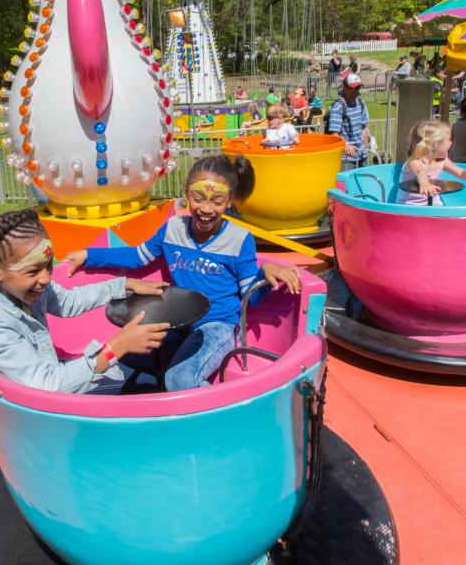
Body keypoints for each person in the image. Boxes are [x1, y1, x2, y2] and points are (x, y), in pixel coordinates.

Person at [64, 155, 302, 390]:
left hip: (217, 325)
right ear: (187, 193)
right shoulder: (173, 229)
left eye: (217, 201)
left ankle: (219, 418)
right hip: (179, 321)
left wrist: (265, 274)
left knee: (179, 379)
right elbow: (137, 257)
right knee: (121, 352)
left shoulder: (240, 240)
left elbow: (252, 297)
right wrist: (88, 255)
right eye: (198, 198)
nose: (206, 209)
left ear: (229, 201)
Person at [0, 209, 170, 393]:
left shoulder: (16, 285)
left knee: (140, 371)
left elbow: (68, 301)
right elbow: (47, 386)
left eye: (48, 266)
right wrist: (115, 348)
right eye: (33, 271)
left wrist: (124, 284)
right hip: (40, 412)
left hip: (48, 378)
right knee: (143, 387)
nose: (46, 278)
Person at [396, 120, 466, 206]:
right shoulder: (414, 161)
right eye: (449, 140)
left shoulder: (443, 161)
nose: (451, 143)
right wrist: (424, 183)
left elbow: (460, 173)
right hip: (409, 206)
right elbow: (419, 172)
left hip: (434, 205)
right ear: (434, 144)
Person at [326, 73, 373, 168]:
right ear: (345, 88)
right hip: (347, 159)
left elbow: (363, 128)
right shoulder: (338, 106)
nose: (356, 91)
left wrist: (366, 150)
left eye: (358, 88)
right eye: (353, 88)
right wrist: (346, 146)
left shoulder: (361, 103)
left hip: (362, 156)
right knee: (346, 183)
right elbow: (334, 133)